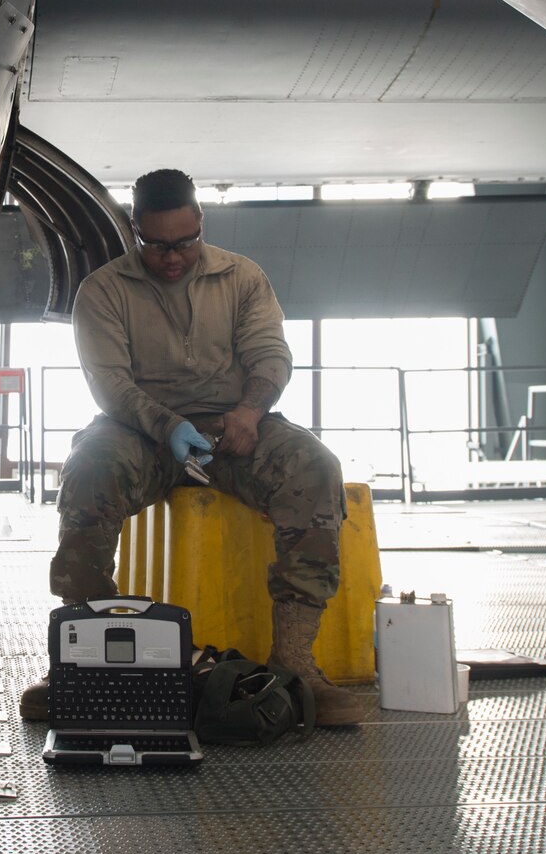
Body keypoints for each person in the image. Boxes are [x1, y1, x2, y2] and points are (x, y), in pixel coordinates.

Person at [20, 168, 363, 727]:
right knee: (89, 470)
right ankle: (81, 661)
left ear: (200, 222)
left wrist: (250, 412)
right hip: (139, 430)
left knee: (313, 467)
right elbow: (110, 384)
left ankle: (296, 663)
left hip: (235, 426)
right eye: (155, 245)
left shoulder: (242, 277)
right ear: (136, 231)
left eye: (183, 242)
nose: (171, 257)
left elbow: (270, 356)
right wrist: (167, 425)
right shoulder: (104, 290)